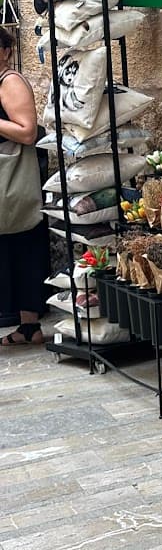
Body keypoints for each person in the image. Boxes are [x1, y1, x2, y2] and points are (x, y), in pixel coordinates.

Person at [0, 28, 48, 345]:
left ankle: (30, 325)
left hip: (11, 176)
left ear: (5, 50)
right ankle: (29, 327)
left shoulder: (10, 82)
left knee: (23, 242)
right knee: (18, 246)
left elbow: (28, 132)